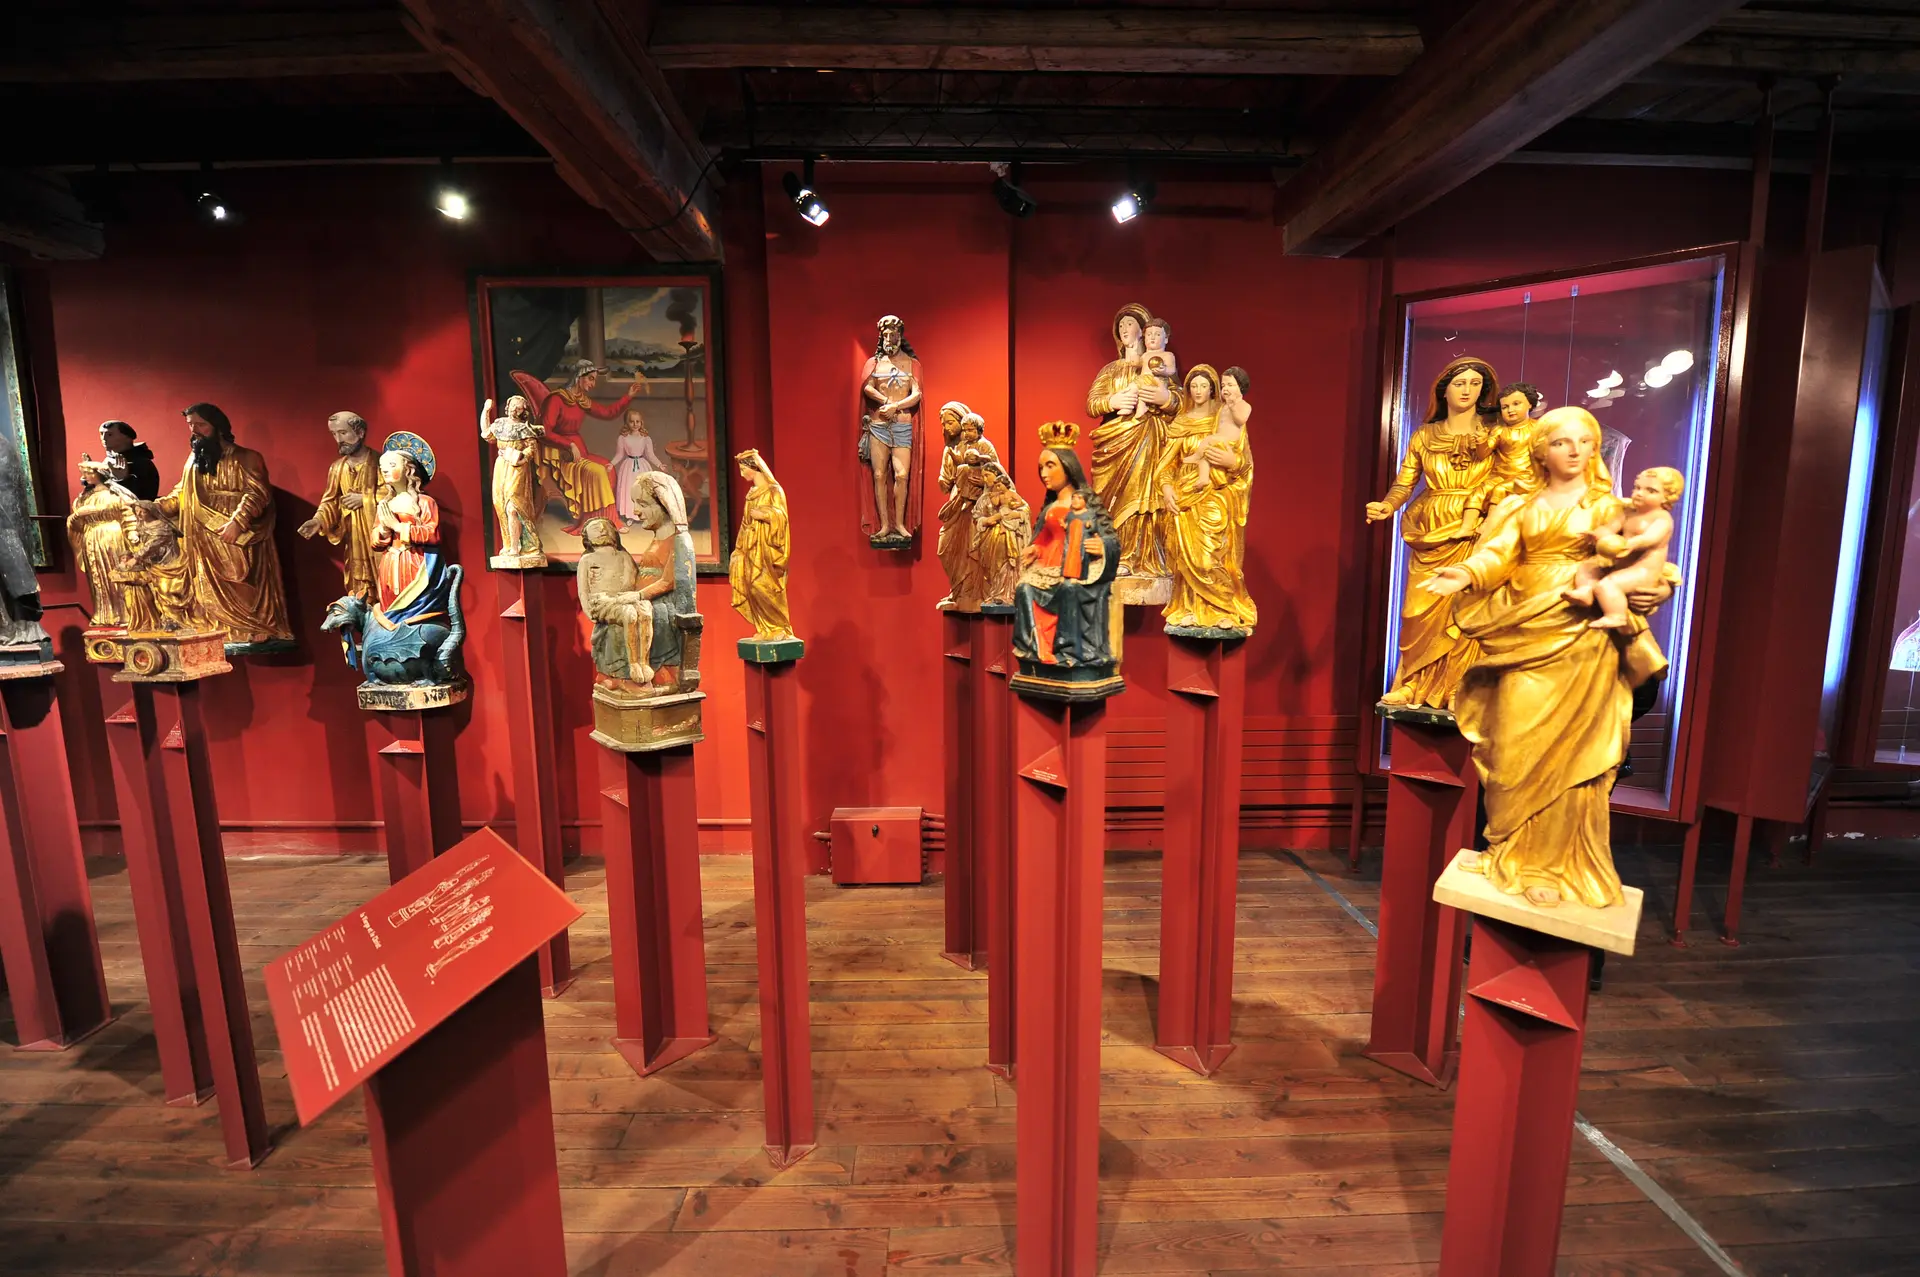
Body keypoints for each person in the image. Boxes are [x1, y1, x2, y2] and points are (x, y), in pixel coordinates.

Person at [1425, 407, 1671, 909]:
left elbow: (1647, 558)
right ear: (1541, 450)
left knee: (1572, 756)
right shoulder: (1521, 506)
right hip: (1526, 625)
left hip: (1585, 637)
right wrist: (1465, 574)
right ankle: (1507, 850)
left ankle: (1549, 864)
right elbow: (1497, 556)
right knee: (1513, 743)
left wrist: (1655, 587)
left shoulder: (1611, 508)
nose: (1576, 450)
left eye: (1585, 440)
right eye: (1561, 442)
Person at [1363, 356, 1499, 709]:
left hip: (1476, 529)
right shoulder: (1425, 435)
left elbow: (1513, 476)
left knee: (1464, 610)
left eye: (1474, 383)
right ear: (1444, 389)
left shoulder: (1495, 431)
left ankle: (1458, 688)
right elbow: (1405, 483)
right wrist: (1387, 506)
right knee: (1416, 612)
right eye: (1459, 383)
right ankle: (1411, 683)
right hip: (1431, 529)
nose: (1467, 390)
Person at [154, 403, 293, 650]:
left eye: (201, 424)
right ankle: (219, 629)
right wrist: (160, 506)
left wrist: (238, 523)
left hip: (236, 532)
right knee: (208, 586)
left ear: (217, 426)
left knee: (241, 578)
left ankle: (252, 626)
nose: (194, 431)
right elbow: (185, 492)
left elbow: (257, 493)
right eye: (191, 425)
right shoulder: (195, 462)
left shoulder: (247, 457)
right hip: (204, 536)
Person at [1158, 365, 1257, 634]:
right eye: (1193, 386)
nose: (1199, 391)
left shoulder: (1226, 416)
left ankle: (1225, 608)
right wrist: (1166, 489)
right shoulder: (1181, 424)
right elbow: (1166, 466)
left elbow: (1244, 462)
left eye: (1204, 386)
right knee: (1185, 559)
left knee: (1210, 557)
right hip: (1185, 496)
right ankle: (1190, 609)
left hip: (1217, 496)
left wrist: (1232, 462)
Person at [1012, 431, 1120, 669]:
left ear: (1068, 467)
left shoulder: (1088, 505)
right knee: (1024, 588)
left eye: (1050, 466)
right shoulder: (1050, 507)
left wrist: (1102, 547)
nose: (1044, 474)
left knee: (1069, 589)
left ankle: (1069, 649)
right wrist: (1035, 550)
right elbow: (1043, 539)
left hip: (1075, 569)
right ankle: (1035, 650)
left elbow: (1112, 541)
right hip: (1048, 569)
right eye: (1041, 467)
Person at [1087, 303, 1180, 575]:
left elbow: (1183, 403)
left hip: (1150, 437)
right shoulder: (1111, 370)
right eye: (1120, 326)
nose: (1124, 329)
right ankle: (1113, 554)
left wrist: (1166, 399)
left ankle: (1139, 556)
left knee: (1144, 495)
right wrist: (1112, 400)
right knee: (1114, 498)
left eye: (1129, 324)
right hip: (1115, 442)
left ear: (1144, 330)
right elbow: (1092, 404)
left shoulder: (1161, 364)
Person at [1565, 466, 1685, 631]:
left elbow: (1649, 538)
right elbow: (1610, 527)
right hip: (1619, 565)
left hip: (1642, 571)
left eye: (1650, 491)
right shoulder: (1629, 512)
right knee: (1589, 567)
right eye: (1637, 488)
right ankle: (1585, 590)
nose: (1639, 493)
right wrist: (1598, 534)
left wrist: (1631, 544)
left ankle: (1616, 615)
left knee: (1607, 585)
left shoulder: (1662, 519)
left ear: (1667, 498)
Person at [297, 410, 380, 604]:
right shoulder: (337, 468)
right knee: (360, 589)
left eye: (343, 433)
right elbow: (331, 501)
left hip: (379, 539)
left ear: (360, 433)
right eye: (334, 434)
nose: (338, 439)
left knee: (383, 582)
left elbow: (396, 495)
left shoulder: (380, 463)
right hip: (355, 541)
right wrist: (318, 521)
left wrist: (366, 499)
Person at [859, 314, 923, 544]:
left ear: (899, 336)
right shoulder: (874, 363)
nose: (889, 338)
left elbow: (916, 394)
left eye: (893, 334)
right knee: (879, 474)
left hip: (903, 425)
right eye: (885, 335)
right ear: (881, 337)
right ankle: (885, 525)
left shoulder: (911, 364)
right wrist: (885, 402)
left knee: (902, 475)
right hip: (879, 425)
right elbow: (867, 387)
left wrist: (895, 405)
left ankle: (899, 524)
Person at [730, 449, 794, 640]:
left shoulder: (775, 491)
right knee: (751, 585)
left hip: (767, 550)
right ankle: (766, 628)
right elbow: (744, 524)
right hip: (750, 548)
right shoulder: (751, 494)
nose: (741, 474)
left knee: (764, 585)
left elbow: (782, 518)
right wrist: (739, 549)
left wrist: (764, 515)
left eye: (743, 469)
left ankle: (780, 627)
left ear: (754, 467)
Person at [481, 394, 544, 559]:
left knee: (513, 506)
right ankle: (509, 544)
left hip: (517, 468)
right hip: (502, 465)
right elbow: (487, 434)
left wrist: (521, 456)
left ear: (524, 411)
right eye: (513, 406)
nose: (515, 409)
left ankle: (519, 547)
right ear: (507, 407)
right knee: (500, 503)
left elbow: (532, 449)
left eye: (519, 407)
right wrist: (486, 411)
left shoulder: (524, 428)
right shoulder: (500, 424)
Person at [609, 406, 668, 526]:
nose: (635, 424)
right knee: (630, 490)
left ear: (641, 422)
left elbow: (651, 455)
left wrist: (660, 464)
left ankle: (645, 515)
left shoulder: (646, 438)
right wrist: (611, 463)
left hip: (642, 466)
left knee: (643, 490)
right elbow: (620, 454)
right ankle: (631, 515)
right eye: (632, 421)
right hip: (628, 468)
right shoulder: (623, 438)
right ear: (627, 423)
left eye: (638, 421)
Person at [98, 420, 160, 500]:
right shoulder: (108, 460)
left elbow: (143, 497)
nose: (103, 438)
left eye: (110, 434)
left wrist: (123, 480)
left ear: (127, 437)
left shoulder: (142, 463)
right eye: (101, 434)